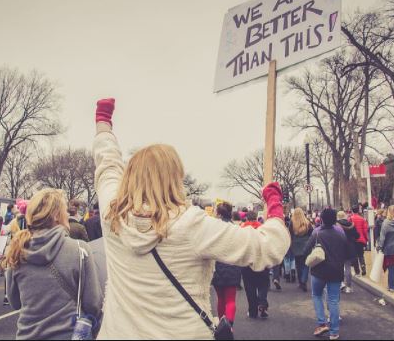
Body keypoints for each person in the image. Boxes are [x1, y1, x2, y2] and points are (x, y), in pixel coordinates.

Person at [93, 98, 290, 339]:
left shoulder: (112, 215)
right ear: (175, 178)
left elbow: (107, 164)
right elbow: (268, 248)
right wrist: (274, 204)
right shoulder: (190, 225)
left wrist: (103, 124)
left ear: (130, 176)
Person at [5, 189, 103, 340]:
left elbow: (15, 302)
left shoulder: (17, 251)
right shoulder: (79, 249)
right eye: (65, 211)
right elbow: (93, 304)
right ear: (57, 216)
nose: (68, 215)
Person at [301, 209, 347, 341]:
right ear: (335, 219)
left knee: (316, 295)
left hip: (319, 270)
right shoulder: (340, 233)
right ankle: (334, 331)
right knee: (333, 300)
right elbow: (347, 252)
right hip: (336, 270)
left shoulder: (316, 233)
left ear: (321, 219)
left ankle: (321, 323)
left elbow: (305, 250)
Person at [211, 202, 242, 337]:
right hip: (232, 265)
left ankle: (221, 325)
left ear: (218, 213)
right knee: (230, 300)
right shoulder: (236, 229)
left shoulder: (214, 229)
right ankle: (229, 326)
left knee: (220, 299)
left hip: (217, 265)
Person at [241, 211, 272, 319]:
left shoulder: (242, 229)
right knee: (264, 284)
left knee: (250, 287)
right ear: (256, 218)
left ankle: (252, 311)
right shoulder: (262, 229)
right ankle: (262, 303)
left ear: (247, 218)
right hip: (262, 260)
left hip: (247, 262)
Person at [337, 211, 360, 294]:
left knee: (339, 266)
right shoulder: (351, 224)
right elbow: (357, 235)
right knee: (348, 267)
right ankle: (349, 287)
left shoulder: (336, 225)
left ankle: (341, 282)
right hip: (350, 247)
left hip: (339, 247)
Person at [291, 208, 313, 292]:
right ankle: (304, 280)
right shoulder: (307, 223)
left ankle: (301, 282)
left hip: (296, 245)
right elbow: (312, 234)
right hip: (306, 245)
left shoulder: (292, 223)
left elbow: (290, 234)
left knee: (298, 265)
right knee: (306, 264)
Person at [350, 205, 368, 277]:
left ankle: (357, 272)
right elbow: (365, 230)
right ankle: (363, 269)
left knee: (354, 256)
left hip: (353, 240)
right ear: (358, 210)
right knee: (361, 255)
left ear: (352, 210)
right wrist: (366, 239)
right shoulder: (362, 219)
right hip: (361, 240)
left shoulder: (350, 219)